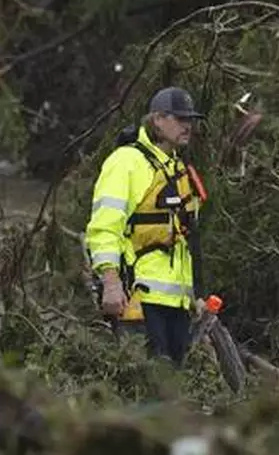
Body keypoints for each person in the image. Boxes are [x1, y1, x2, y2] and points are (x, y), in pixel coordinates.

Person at [84, 86, 209, 366]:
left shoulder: (177, 168)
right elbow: (104, 227)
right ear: (157, 120)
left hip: (177, 306)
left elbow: (187, 241)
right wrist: (111, 282)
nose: (187, 125)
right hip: (137, 300)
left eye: (190, 119)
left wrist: (196, 296)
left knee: (171, 388)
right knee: (145, 386)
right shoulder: (126, 162)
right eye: (180, 119)